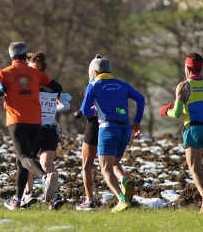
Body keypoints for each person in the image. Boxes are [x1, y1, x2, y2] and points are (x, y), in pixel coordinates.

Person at [0, 42, 63, 210]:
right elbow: (57, 87)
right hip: (36, 121)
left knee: (24, 157)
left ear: (11, 55)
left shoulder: (3, 74)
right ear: (24, 54)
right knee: (21, 160)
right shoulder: (35, 73)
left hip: (17, 121)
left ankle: (44, 179)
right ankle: (17, 200)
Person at [159, 52, 203, 213]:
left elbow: (177, 113)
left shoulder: (184, 86)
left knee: (193, 167)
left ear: (188, 68)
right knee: (198, 165)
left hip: (193, 130)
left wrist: (166, 111)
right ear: (201, 68)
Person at [79, 56, 145, 213]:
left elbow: (84, 110)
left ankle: (122, 200)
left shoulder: (93, 84)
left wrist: (94, 111)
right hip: (125, 129)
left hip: (108, 128)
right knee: (115, 163)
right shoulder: (122, 84)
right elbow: (141, 99)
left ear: (95, 72)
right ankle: (124, 179)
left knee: (105, 169)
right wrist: (137, 122)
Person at [21, 52, 71, 210]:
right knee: (47, 165)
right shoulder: (52, 87)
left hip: (36, 128)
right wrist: (51, 108)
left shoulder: (32, 85)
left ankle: (28, 194)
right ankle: (56, 197)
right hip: (52, 130)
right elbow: (67, 106)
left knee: (27, 161)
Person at [74, 55, 102, 211]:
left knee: (86, 166)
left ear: (93, 71)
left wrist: (81, 111)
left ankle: (90, 200)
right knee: (112, 166)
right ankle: (123, 193)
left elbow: (87, 109)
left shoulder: (91, 84)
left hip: (93, 126)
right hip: (112, 126)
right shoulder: (114, 85)